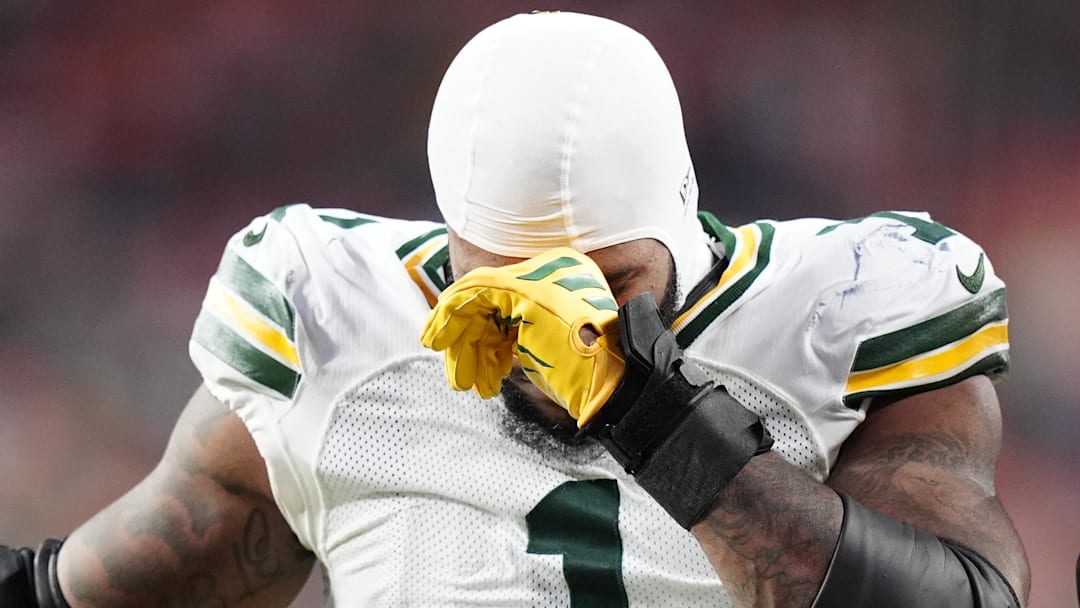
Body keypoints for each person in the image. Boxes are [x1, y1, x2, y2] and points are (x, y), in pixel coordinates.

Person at [0, 11, 1029, 608]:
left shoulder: (845, 311)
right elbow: (127, 579)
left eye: (607, 284)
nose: (550, 331)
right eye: (507, 286)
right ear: (453, 242)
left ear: (676, 227)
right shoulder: (334, 322)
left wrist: (667, 427)